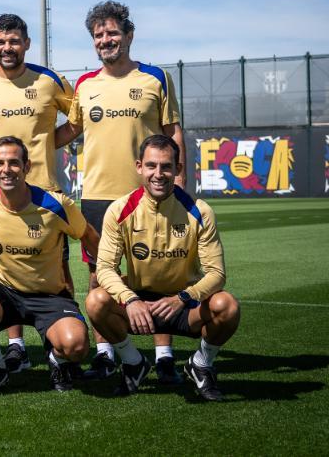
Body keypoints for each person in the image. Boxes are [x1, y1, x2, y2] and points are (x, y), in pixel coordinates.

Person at [55, 0, 186, 381]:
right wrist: (31, 141)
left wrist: (179, 179)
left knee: (159, 272)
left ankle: (163, 355)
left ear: (129, 35)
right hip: (97, 195)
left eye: (112, 33)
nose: (106, 40)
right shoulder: (85, 84)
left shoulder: (155, 78)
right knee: (99, 275)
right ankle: (106, 352)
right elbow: (71, 130)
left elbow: (173, 130)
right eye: (99, 35)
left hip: (149, 193)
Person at [0, 13, 75, 374]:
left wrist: (44, 145)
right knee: (4, 267)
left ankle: (57, 343)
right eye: (0, 42)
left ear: (26, 43)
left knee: (59, 268)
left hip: (44, 196)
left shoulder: (48, 80)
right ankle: (16, 347)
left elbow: (79, 119)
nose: (7, 48)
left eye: (14, 41)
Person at [86, 135, 240, 400]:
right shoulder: (119, 210)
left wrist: (183, 298)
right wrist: (130, 299)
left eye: (166, 166)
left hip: (182, 304)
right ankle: (134, 363)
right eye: (151, 166)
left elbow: (217, 274)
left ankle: (201, 364)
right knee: (96, 301)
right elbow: (105, 269)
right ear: (139, 167)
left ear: (177, 169)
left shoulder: (199, 211)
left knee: (227, 306)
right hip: (139, 304)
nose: (159, 174)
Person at [0, 136, 101, 394]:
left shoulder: (56, 205)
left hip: (50, 296)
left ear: (27, 167)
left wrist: (103, 272)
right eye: (0, 163)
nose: (7, 169)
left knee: (76, 346)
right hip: (6, 291)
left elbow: (89, 236)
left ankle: (56, 360)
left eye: (14, 163)